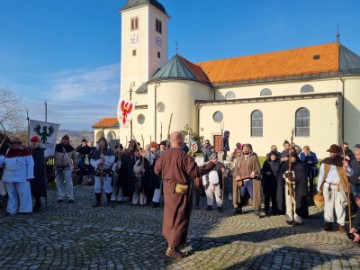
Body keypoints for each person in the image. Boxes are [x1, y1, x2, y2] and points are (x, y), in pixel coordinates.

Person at [154, 131, 216, 259]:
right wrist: (211, 164)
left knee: (170, 215)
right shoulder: (184, 156)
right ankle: (172, 248)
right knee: (180, 217)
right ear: (181, 141)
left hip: (168, 189)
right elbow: (195, 173)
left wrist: (167, 179)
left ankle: (172, 240)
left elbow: (156, 170)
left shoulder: (164, 156)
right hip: (180, 190)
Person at [317, 144, 353, 233]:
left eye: (334, 152)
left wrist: (347, 166)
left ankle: (341, 224)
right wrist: (319, 188)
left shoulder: (342, 162)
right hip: (327, 186)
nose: (333, 154)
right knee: (328, 205)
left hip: (339, 187)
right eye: (331, 152)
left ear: (338, 153)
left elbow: (351, 173)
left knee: (340, 206)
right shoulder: (326, 162)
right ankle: (328, 223)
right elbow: (321, 175)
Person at [0, 136, 34, 215]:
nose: (14, 144)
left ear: (19, 143)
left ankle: (25, 210)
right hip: (8, 177)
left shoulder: (26, 151)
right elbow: (1, 162)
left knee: (24, 194)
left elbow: (30, 164)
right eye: (12, 143)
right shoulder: (7, 151)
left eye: (16, 143)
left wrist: (29, 176)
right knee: (11, 195)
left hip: (22, 177)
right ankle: (11, 210)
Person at [276, 151, 309, 225]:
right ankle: (289, 217)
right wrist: (286, 175)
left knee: (297, 202)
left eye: (294, 157)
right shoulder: (285, 165)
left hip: (297, 187)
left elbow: (303, 177)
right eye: (291, 157)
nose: (293, 159)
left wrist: (294, 177)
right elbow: (281, 175)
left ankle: (297, 218)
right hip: (288, 186)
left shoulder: (299, 165)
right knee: (288, 202)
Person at [233, 144, 263, 217]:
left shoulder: (254, 157)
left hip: (251, 180)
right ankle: (238, 208)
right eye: (244, 148)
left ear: (250, 149)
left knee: (254, 195)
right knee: (240, 195)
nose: (245, 150)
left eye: (246, 148)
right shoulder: (240, 158)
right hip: (242, 180)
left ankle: (256, 209)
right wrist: (237, 175)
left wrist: (254, 172)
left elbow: (258, 168)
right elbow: (237, 168)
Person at [90, 137, 115, 207]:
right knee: (97, 187)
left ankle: (109, 202)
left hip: (107, 171)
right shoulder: (95, 152)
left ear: (105, 142)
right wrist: (98, 161)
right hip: (98, 171)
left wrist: (105, 159)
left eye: (103, 141)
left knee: (108, 186)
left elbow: (112, 160)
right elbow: (92, 161)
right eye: (100, 141)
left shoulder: (109, 151)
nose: (101, 143)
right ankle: (98, 202)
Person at [54, 135, 78, 203]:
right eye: (63, 139)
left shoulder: (71, 148)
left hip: (67, 167)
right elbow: (50, 155)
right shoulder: (56, 147)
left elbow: (75, 158)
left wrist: (75, 166)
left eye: (66, 140)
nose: (64, 141)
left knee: (69, 182)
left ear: (68, 140)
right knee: (59, 182)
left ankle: (70, 196)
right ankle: (60, 196)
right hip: (58, 167)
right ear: (61, 140)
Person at [261, 150, 281, 216]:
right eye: (272, 156)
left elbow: (281, 172)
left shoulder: (279, 163)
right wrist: (266, 173)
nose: (273, 157)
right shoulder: (266, 162)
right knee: (267, 197)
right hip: (267, 182)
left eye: (274, 156)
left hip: (275, 182)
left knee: (274, 197)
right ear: (270, 156)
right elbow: (262, 171)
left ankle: (274, 211)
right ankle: (266, 210)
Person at [30, 136, 46, 211]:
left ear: (38, 142)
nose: (34, 143)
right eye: (33, 141)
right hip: (30, 171)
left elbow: (38, 162)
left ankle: (37, 202)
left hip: (38, 171)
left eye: (35, 141)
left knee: (37, 188)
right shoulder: (29, 149)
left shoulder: (40, 151)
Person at [144, 141, 162, 207]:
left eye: (155, 147)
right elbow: (147, 162)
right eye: (153, 147)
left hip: (156, 172)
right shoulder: (148, 153)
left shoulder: (158, 153)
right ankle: (151, 199)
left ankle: (155, 201)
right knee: (151, 186)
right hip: (150, 172)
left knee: (156, 186)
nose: (155, 148)